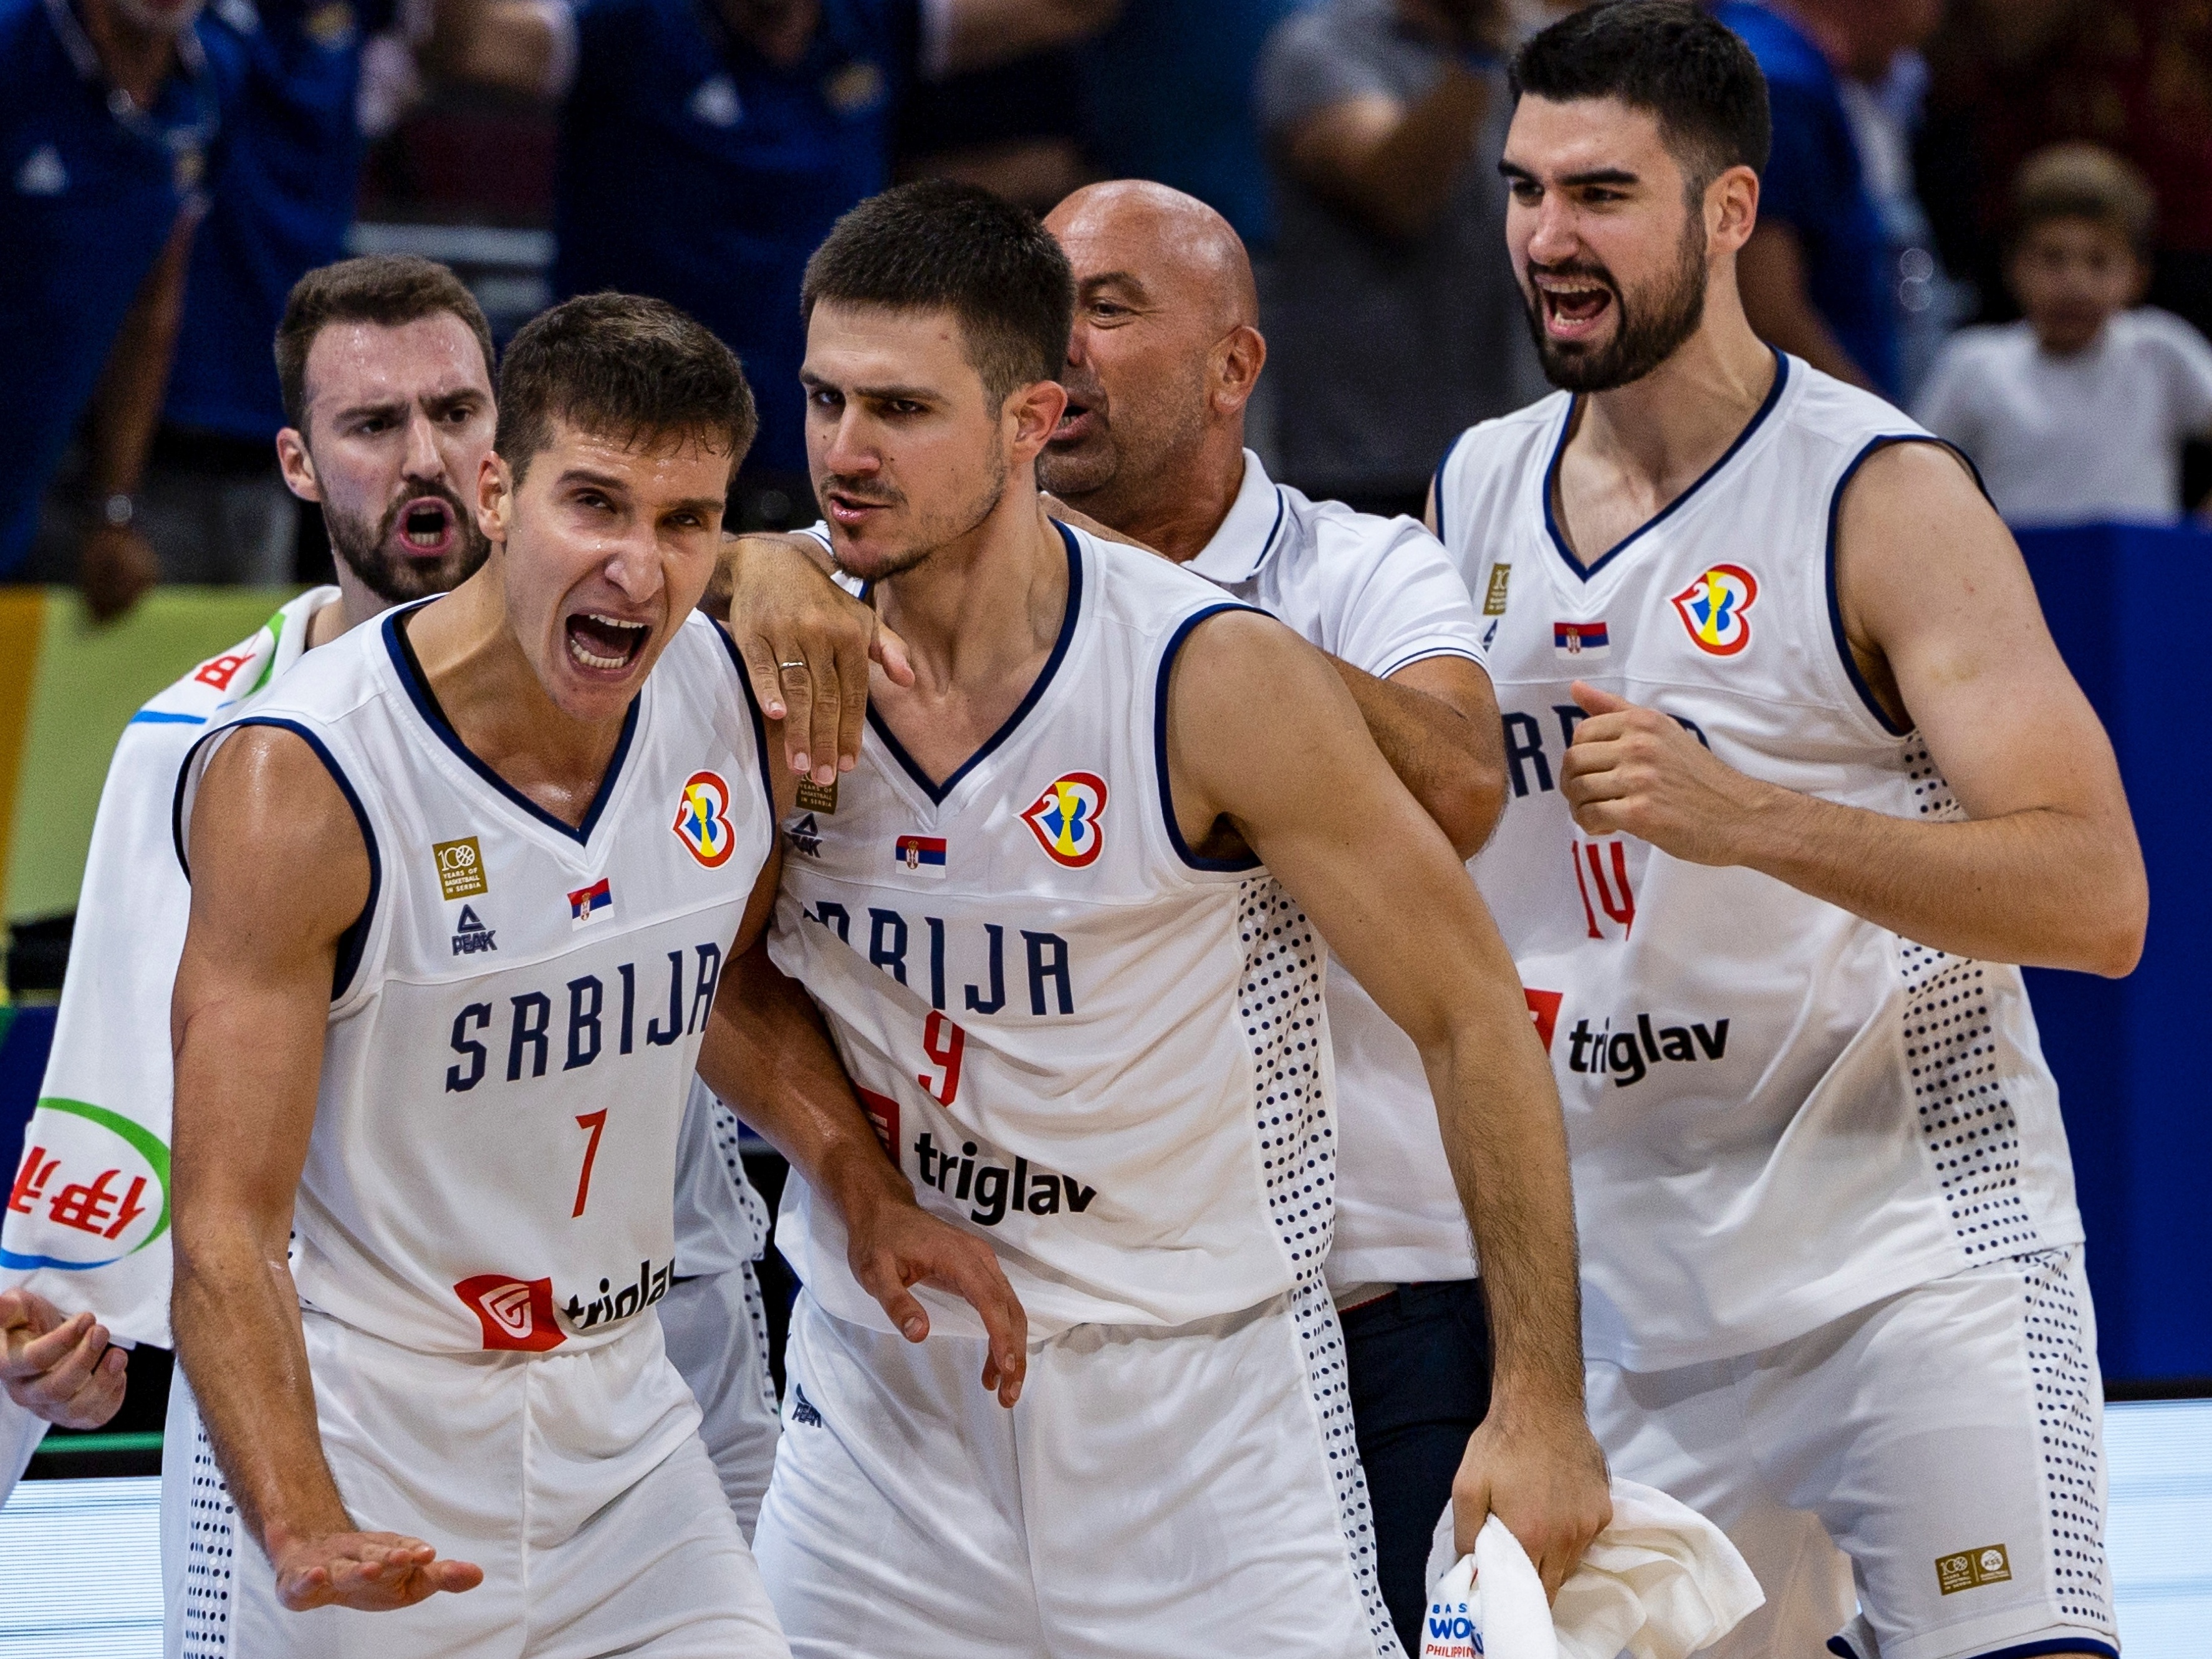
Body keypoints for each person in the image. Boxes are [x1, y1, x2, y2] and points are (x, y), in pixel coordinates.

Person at [709, 176, 1594, 1657]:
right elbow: (711, 980)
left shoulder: (1211, 673)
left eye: (902, 412)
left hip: (1202, 1426)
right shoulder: (759, 656)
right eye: (821, 400)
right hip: (882, 1420)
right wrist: (854, 1184)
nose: (845, 455)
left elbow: (1464, 1010)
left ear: (1023, 421)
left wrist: (1541, 1406)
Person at [1426, 7, 2144, 1658]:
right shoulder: (1473, 485)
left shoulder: (1879, 493)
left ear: (1729, 211)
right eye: (1524, 189)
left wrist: (1752, 817)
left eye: (1600, 192)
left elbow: (2097, 895)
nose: (1546, 238)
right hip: (1626, 1301)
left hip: (1911, 1263)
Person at [168, 289, 1015, 1653]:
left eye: (687, 523)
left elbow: (722, 990)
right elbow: (220, 1224)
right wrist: (302, 1514)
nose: (641, 567)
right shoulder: (302, 777)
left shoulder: (730, 698)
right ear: (496, 489)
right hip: (378, 1423)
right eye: (597, 507)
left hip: (624, 1426)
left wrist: (860, 1183)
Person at [0, 258, 767, 1650]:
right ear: (296, 461)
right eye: (371, 426)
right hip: (359, 1405)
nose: (422, 455)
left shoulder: (693, 662)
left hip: (642, 1374)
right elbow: (134, 1089)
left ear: (499, 446)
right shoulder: (236, 754)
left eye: (454, 409)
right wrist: (58, 1332)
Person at [1022, 176, 1600, 1646]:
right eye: (1040, 314)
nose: (1061, 347)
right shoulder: (960, 598)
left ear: (1233, 367)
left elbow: (1465, 782)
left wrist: (1192, 646)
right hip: (1095, 1342)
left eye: (1108, 307)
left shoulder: (1353, 569)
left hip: (1387, 1320)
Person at [428, 0, 1120, 531]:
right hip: (625, 444)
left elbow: (1070, 8)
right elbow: (469, 43)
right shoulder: (629, 27)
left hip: (820, 448)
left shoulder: (878, 22)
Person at [138, 0, 408, 591]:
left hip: (286, 442)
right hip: (149, 438)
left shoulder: (359, 30)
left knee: (261, 672)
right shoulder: (182, 30)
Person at [1255, 0, 1547, 518]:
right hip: (1358, 461)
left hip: (1510, 443)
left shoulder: (1541, 45)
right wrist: (1480, 53)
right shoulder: (1320, 47)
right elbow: (1399, 194)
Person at [0, 0, 236, 616]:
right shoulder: (13, 44)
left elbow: (151, 311)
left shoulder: (213, 83)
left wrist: (113, 507)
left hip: (19, 499)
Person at [1916, 143, 2212, 527]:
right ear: (2014, 265)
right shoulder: (1973, 364)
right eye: (2053, 258)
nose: (2076, 284)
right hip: (2012, 581)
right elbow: (1913, 476)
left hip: (2141, 582)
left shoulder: (2160, 351)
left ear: (2137, 274)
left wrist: (2197, 543)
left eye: (2099, 261)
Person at [1713, 0, 1938, 398]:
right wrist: (1883, 437)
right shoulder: (1781, 86)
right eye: (1906, 41)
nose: (1907, 61)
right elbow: (1766, 310)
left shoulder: (1760, 51)